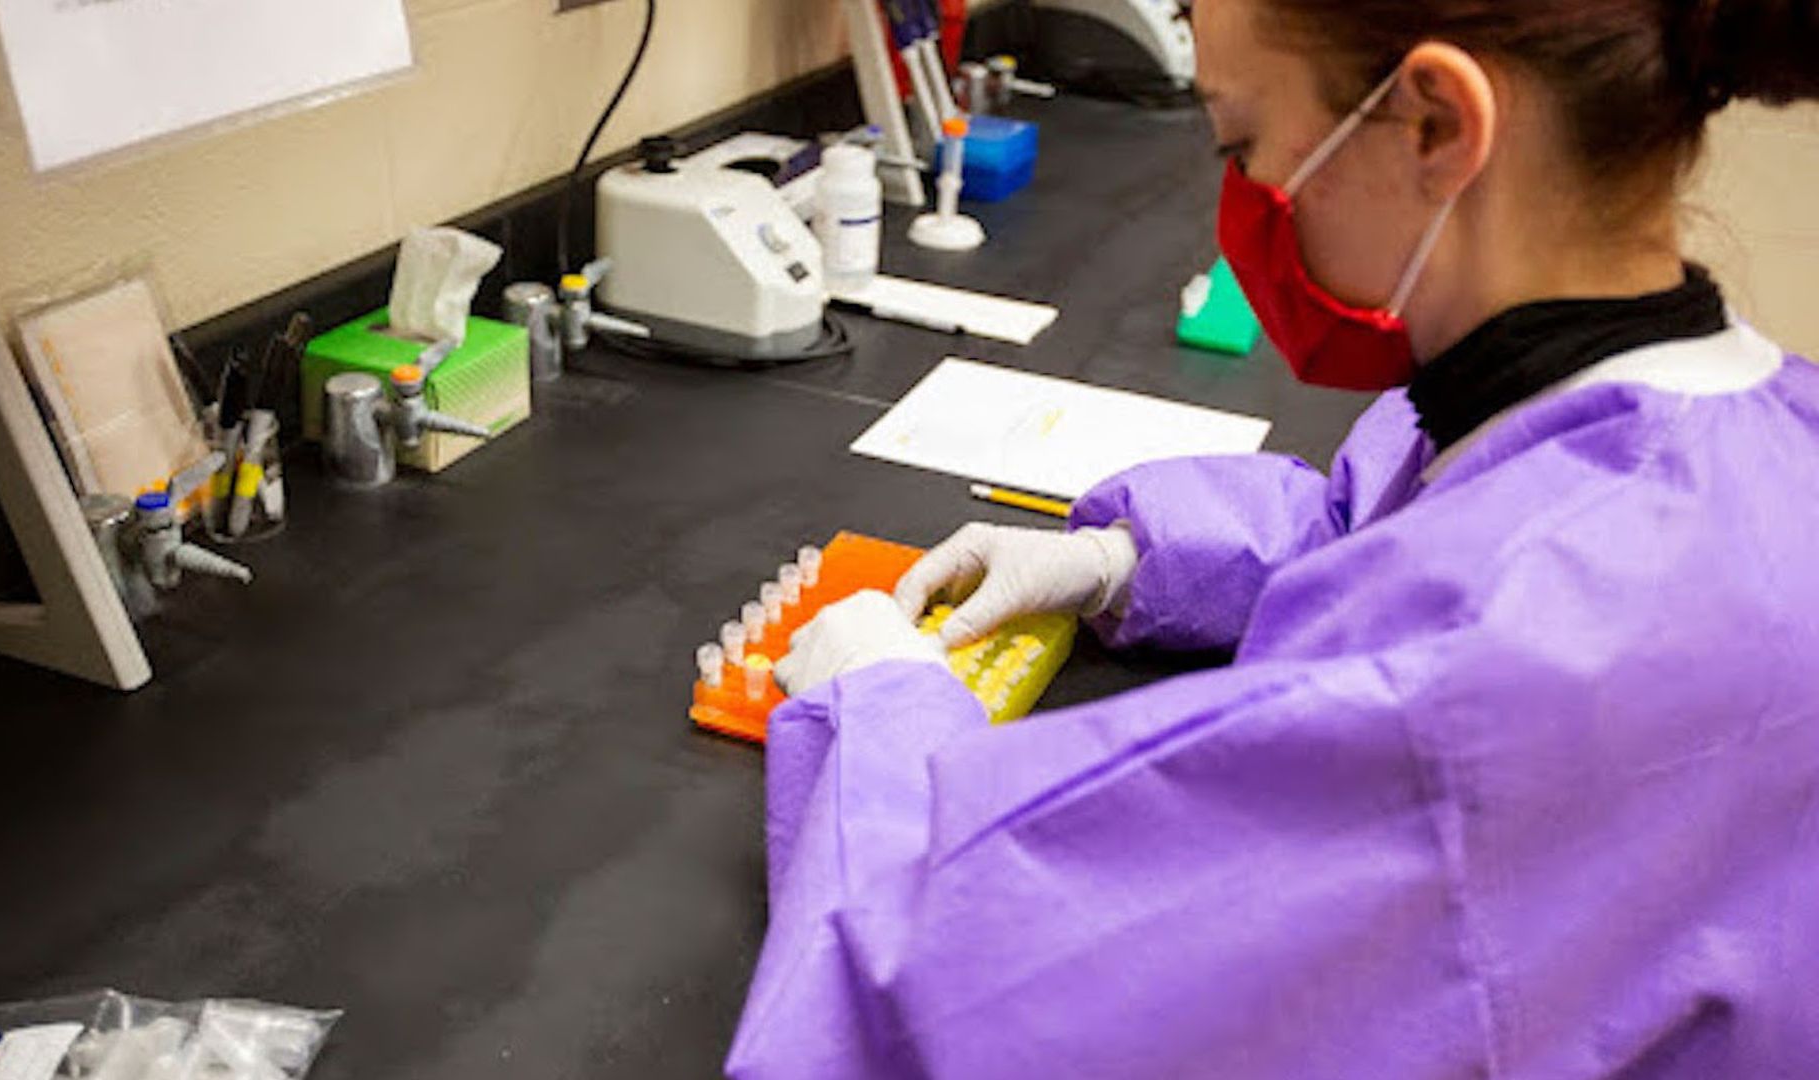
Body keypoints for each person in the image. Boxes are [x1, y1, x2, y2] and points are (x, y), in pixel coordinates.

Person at [727, 0, 1819, 1076]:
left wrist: (869, 713)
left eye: (1244, 142)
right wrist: (1124, 558)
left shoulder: (1468, 684)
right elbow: (1398, 525)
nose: (1242, 201)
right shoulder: (1751, 437)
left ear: (1437, 123)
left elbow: (945, 990)